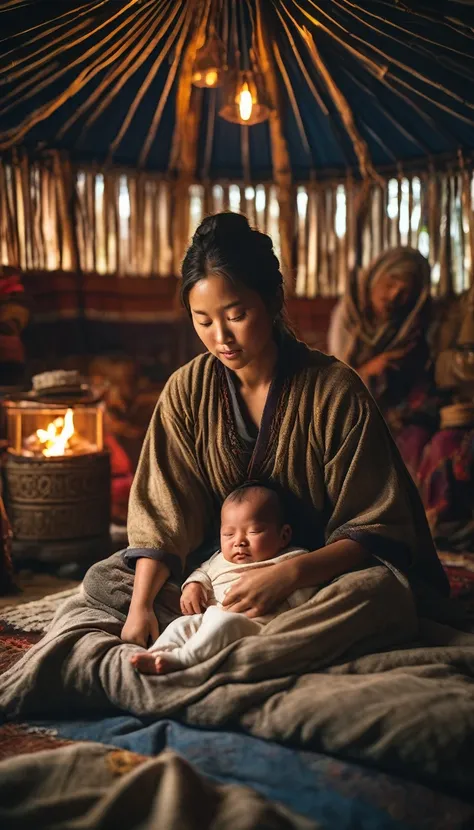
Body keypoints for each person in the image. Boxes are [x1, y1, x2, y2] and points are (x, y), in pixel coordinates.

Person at [115, 212, 448, 659]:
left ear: (273, 302)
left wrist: (289, 576)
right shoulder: (186, 390)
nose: (221, 337)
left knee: (380, 593)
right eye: (203, 320)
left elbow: (378, 524)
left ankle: (232, 650)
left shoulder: (333, 389)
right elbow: (162, 512)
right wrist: (139, 609)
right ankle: (260, 641)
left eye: (237, 315)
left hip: (321, 575)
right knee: (110, 579)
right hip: (221, 574)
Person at [131, 482, 313, 675]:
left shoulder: (290, 559)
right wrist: (193, 585)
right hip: (209, 617)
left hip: (254, 625)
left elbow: (306, 590)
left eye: (254, 531)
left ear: (283, 536)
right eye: (228, 534)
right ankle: (158, 653)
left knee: (224, 623)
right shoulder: (218, 559)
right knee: (180, 625)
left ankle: (184, 659)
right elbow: (203, 572)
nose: (239, 542)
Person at [327, 247, 436, 479]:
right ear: (376, 275)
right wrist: (370, 369)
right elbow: (334, 382)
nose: (395, 294)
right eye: (391, 282)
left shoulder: (411, 328)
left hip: (398, 417)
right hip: (350, 413)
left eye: (406, 291)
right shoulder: (348, 316)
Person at [418, 281, 474, 551]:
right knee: (440, 445)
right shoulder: (458, 310)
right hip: (459, 413)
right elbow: (444, 367)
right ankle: (440, 530)